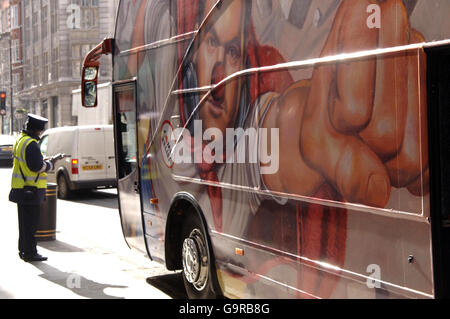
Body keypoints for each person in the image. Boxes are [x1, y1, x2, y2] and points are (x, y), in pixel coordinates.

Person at [9, 114, 56, 262]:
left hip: (21, 188)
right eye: (40, 131)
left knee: (24, 224)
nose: (40, 134)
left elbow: (27, 162)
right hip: (30, 190)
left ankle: (23, 250)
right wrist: (49, 165)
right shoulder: (31, 144)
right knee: (31, 224)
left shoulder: (20, 140)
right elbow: (36, 167)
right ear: (36, 130)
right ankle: (30, 253)